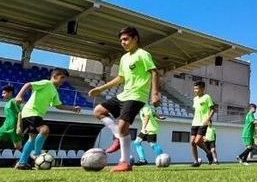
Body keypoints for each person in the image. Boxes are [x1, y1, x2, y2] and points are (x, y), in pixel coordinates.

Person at [88, 26, 161, 173]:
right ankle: (117, 137)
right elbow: (120, 78)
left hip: (137, 95)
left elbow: (154, 72)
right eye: (121, 40)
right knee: (98, 111)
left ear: (135, 39)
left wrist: (154, 93)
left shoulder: (143, 54)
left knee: (123, 127)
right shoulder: (124, 58)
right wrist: (101, 89)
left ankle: (125, 163)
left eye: (126, 39)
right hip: (124, 94)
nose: (123, 42)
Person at [13, 69, 81, 170]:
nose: (63, 81)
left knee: (32, 138)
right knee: (44, 130)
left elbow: (58, 105)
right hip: (31, 111)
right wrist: (19, 95)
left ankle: (21, 163)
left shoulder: (54, 91)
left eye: (64, 79)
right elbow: (28, 84)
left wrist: (72, 109)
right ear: (54, 76)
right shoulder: (46, 83)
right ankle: (37, 155)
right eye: (62, 78)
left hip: (35, 114)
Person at [189, 80, 216, 167]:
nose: (195, 90)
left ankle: (208, 153)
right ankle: (196, 162)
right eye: (194, 89)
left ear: (202, 89)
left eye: (197, 88)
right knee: (192, 142)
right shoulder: (195, 99)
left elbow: (212, 109)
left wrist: (207, 119)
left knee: (197, 141)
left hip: (203, 123)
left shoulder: (207, 97)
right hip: (194, 123)